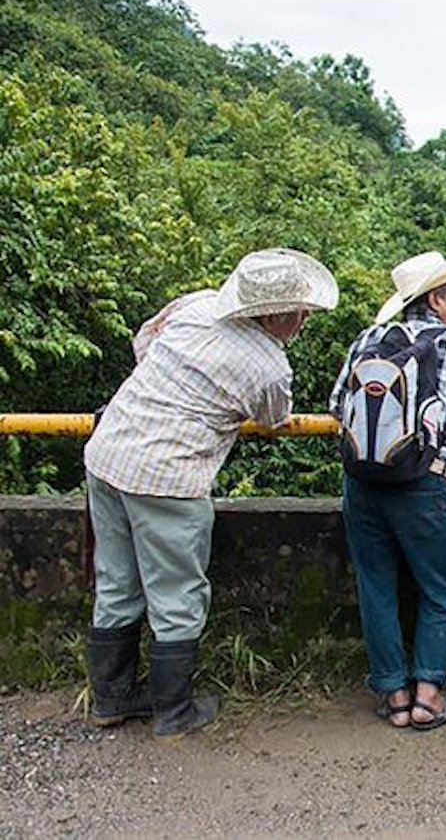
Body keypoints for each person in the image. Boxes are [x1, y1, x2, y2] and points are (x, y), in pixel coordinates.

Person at [84, 248, 338, 738]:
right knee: (177, 594)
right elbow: (272, 418)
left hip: (109, 452)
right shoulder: (268, 366)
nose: (305, 318)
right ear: (280, 314)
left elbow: (145, 342)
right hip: (169, 477)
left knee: (116, 581)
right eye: (301, 310)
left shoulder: (195, 306)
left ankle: (111, 699)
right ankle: (174, 712)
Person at [330, 251, 446, 731]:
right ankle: (429, 697)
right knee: (437, 589)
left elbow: (335, 404)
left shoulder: (366, 340)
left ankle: (395, 697)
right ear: (436, 299)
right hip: (425, 484)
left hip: (363, 483)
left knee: (376, 587)